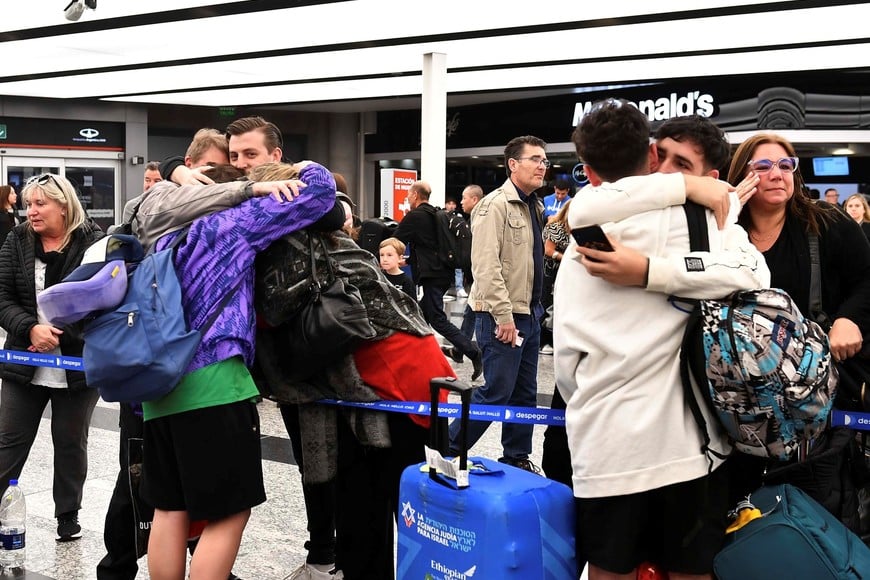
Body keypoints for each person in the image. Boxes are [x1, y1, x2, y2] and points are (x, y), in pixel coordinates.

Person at [555, 100, 770, 580]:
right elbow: (754, 271)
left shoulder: (584, 234)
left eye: (683, 166)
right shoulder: (706, 226)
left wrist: (650, 272)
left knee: (610, 571)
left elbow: (566, 354)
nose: (668, 172)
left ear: (587, 169)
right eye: (667, 162)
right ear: (651, 155)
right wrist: (696, 190)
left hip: (608, 441)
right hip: (688, 448)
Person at [252, 161, 455, 580]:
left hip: (396, 384)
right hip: (409, 372)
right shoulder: (323, 239)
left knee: (384, 510)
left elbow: (272, 313)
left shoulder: (292, 247)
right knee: (377, 508)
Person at [139, 161, 336, 580]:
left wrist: (176, 173)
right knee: (229, 512)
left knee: (170, 508)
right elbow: (321, 193)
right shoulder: (229, 225)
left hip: (158, 388)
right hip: (213, 384)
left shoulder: (165, 236)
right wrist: (298, 167)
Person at [97, 131, 233, 580]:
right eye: (211, 170)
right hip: (150, 365)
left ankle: (203, 565)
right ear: (193, 166)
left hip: (177, 365)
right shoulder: (157, 206)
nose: (219, 180)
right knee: (138, 480)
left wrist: (180, 167)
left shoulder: (209, 211)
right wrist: (177, 171)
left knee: (178, 491)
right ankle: (117, 566)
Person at [727, 133, 870, 532]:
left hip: (817, 402)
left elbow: (867, 277)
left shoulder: (826, 222)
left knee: (814, 514)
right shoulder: (723, 233)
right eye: (764, 166)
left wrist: (849, 318)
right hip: (741, 406)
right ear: (743, 177)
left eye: (786, 165)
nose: (778, 174)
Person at [0, 173, 104, 542]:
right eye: (29, 204)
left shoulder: (95, 243)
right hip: (23, 362)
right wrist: (30, 328)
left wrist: (60, 332)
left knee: (70, 442)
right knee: (8, 441)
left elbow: (105, 300)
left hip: (76, 366)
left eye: (41, 203)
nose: (32, 211)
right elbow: (2, 295)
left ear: (64, 205)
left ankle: (67, 515)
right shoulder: (18, 240)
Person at [446, 136, 548, 472]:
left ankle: (517, 456)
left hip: (529, 314)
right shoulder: (494, 206)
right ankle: (445, 447)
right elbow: (486, 268)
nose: (542, 165)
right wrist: (504, 317)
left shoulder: (535, 205)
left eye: (544, 160)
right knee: (496, 392)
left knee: (524, 394)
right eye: (534, 159)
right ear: (513, 164)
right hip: (501, 317)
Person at [393, 180, 482, 380]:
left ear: (415, 195)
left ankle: (473, 351)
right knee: (420, 316)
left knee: (436, 319)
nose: (407, 197)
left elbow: (393, 242)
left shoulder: (415, 216)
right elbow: (430, 245)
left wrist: (388, 257)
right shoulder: (435, 213)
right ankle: (413, 356)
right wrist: (409, 260)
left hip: (432, 276)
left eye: (408, 194)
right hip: (443, 273)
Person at [442, 184, 484, 364]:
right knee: (471, 310)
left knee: (477, 311)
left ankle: (469, 350)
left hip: (483, 273)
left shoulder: (481, 218)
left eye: (463, 198)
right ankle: (461, 349)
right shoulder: (473, 218)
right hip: (477, 273)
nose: (461, 202)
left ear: (474, 199)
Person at [539, 199, 571, 356]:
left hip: (565, 271)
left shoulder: (576, 228)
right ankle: (543, 340)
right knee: (546, 302)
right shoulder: (556, 227)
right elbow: (548, 251)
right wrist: (565, 257)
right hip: (548, 269)